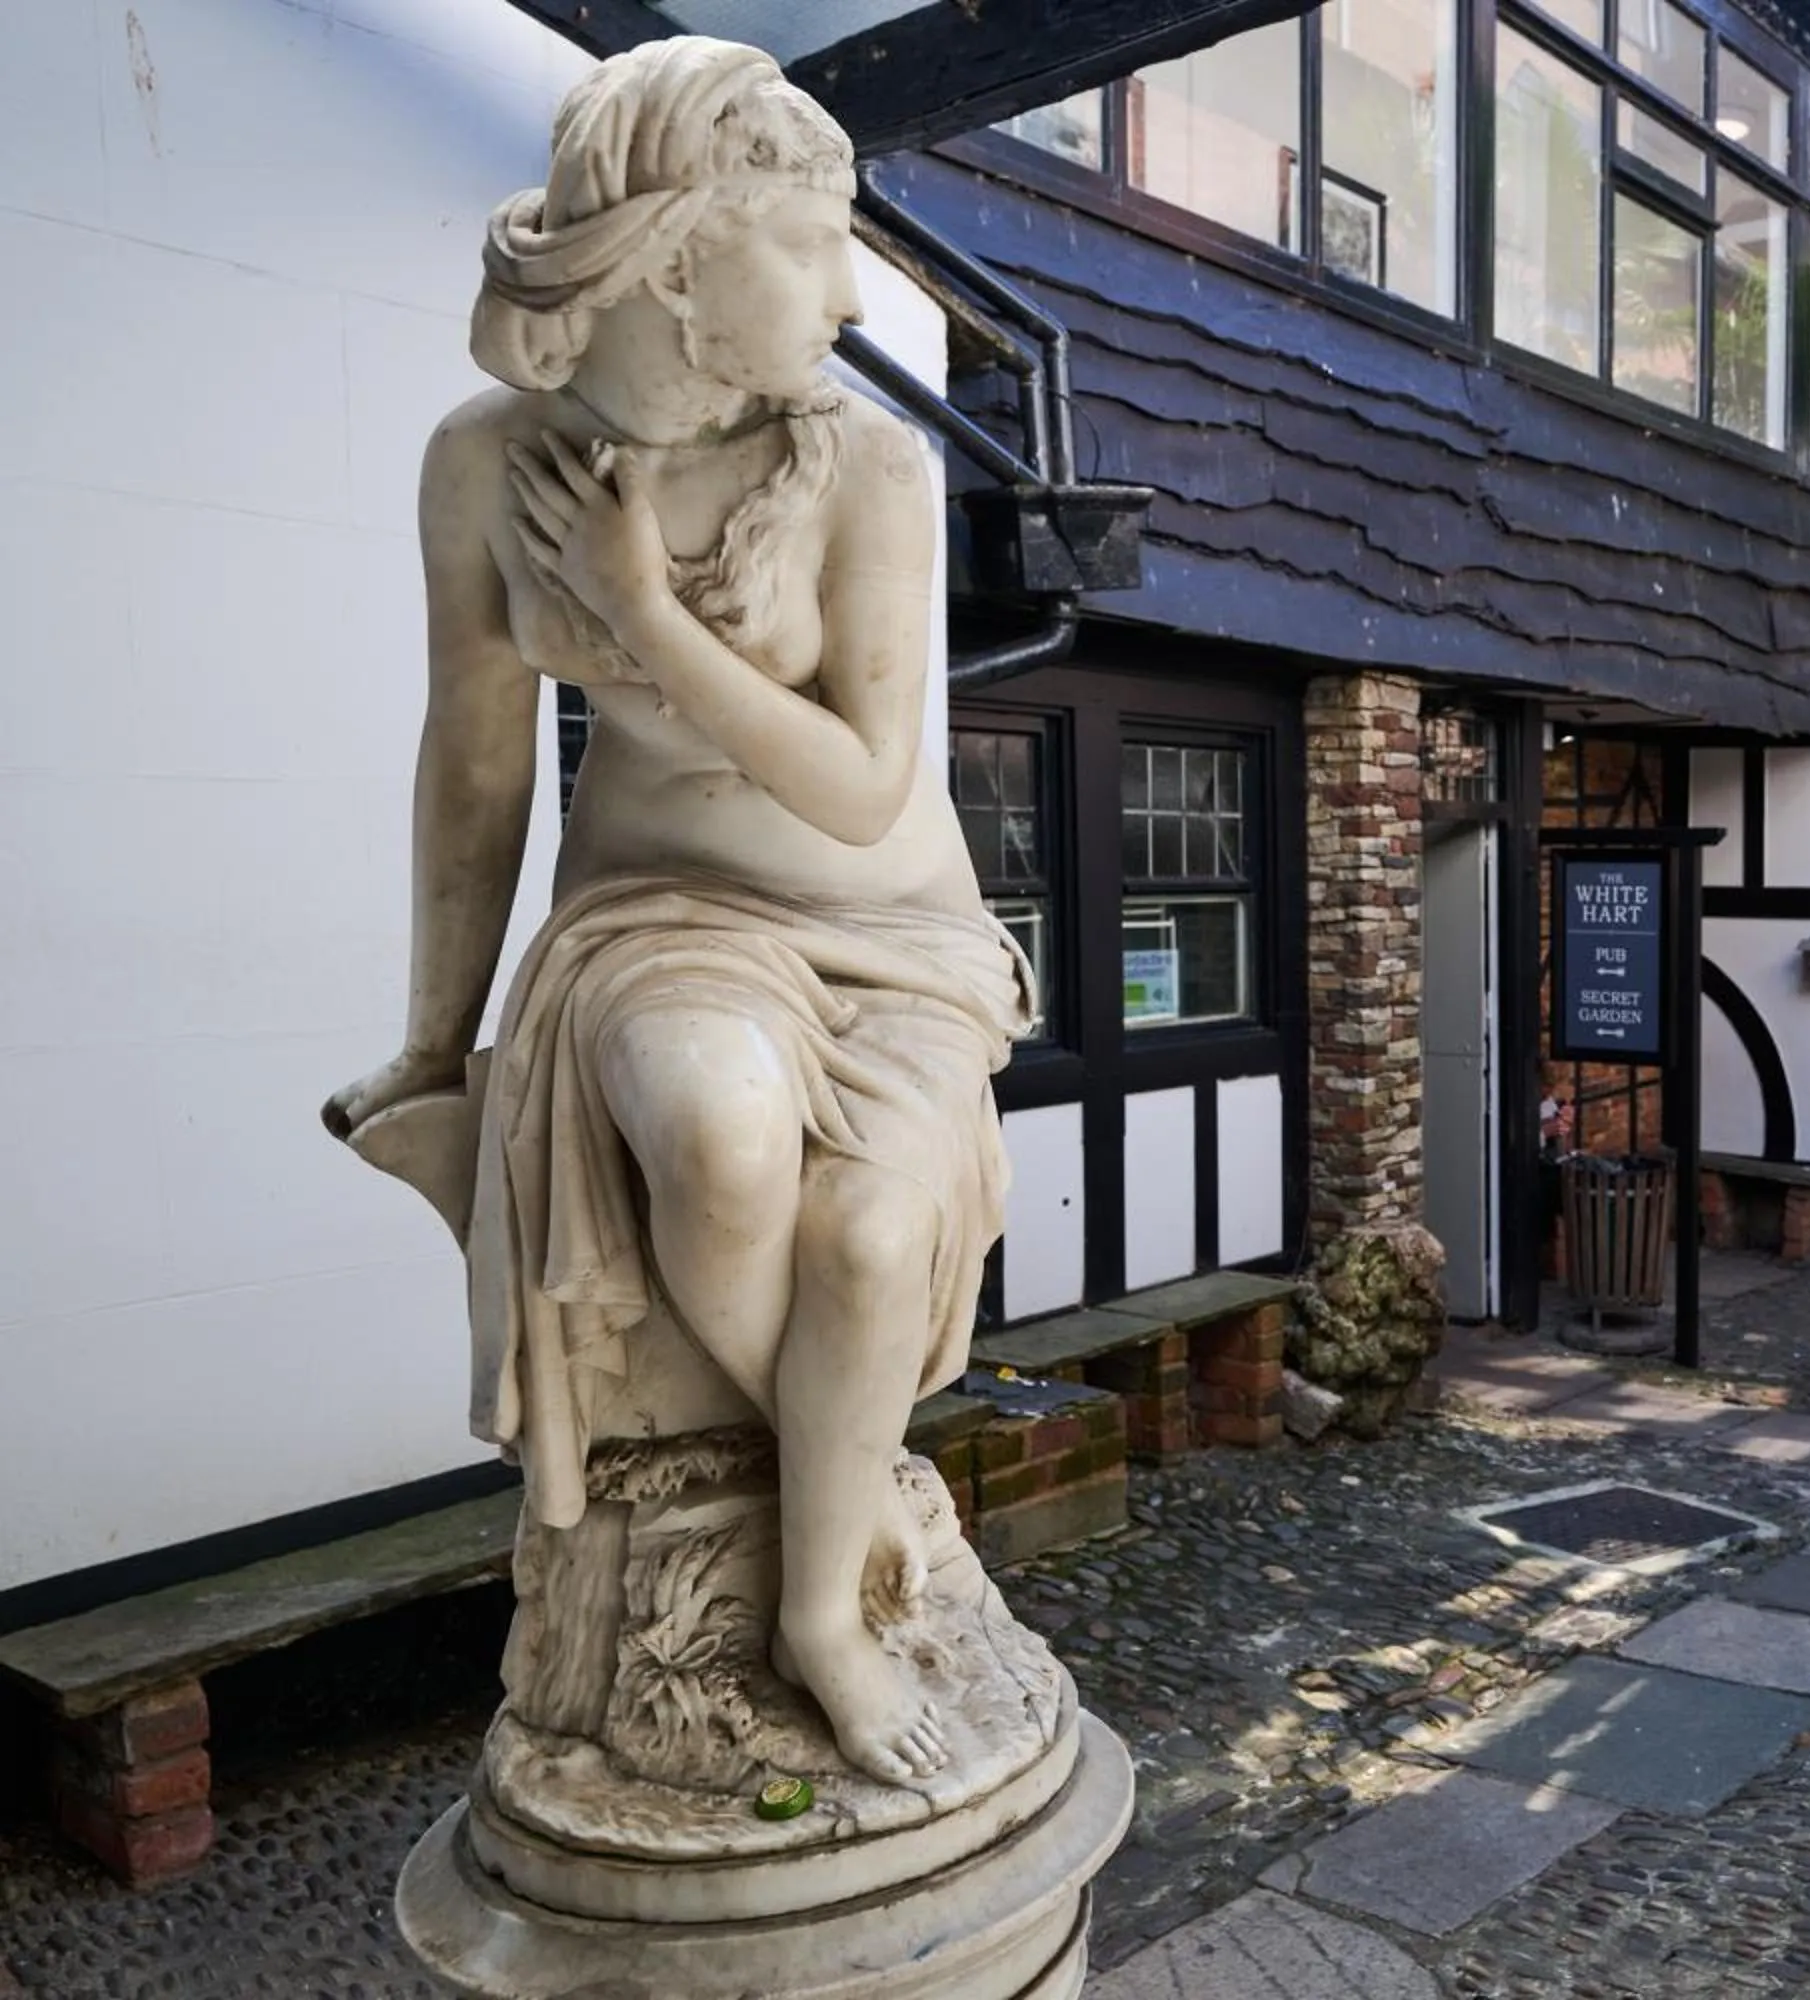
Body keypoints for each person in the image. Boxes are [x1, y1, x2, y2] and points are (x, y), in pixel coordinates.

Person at [323, 38, 1029, 1788]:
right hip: (661, 920)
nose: (849, 293)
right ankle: (844, 1485)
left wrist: (642, 609)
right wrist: (432, 1041)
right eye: (810, 242)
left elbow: (862, 782)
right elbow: (475, 763)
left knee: (871, 1242)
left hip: (894, 936)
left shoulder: (868, 467)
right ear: (674, 262)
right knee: (717, 1141)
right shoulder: (486, 465)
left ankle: (818, 1616)